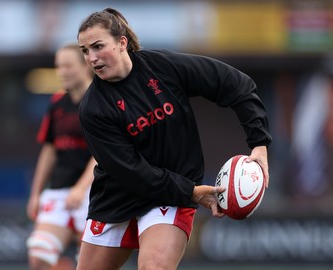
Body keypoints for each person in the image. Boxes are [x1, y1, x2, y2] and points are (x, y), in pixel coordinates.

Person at [77, 8, 272, 270]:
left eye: (98, 46)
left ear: (122, 43)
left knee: (154, 267)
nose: (92, 57)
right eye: (85, 51)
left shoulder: (162, 68)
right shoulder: (93, 108)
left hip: (169, 195)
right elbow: (131, 171)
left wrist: (259, 145)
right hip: (118, 197)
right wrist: (192, 192)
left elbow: (235, 83)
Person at [26, 44, 96, 270]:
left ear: (86, 66)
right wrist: (35, 194)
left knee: (91, 263)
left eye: (68, 65)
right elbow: (49, 149)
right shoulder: (57, 102)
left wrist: (81, 188)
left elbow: (104, 153)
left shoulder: (100, 101)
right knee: (39, 257)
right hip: (59, 190)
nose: (62, 71)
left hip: (94, 192)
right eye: (58, 66)